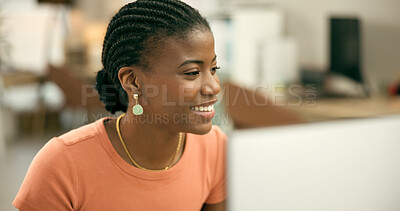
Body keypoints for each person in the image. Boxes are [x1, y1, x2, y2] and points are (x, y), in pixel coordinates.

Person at [13, 0, 226, 210]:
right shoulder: (61, 164)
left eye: (213, 69)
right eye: (192, 73)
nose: (213, 87)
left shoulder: (214, 147)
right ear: (132, 81)